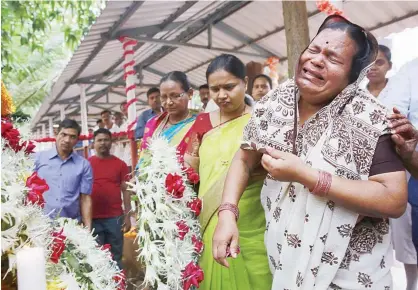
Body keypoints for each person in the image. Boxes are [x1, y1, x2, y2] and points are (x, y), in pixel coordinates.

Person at [213, 15, 408, 289]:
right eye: (314, 49)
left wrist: (308, 176)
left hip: (348, 273)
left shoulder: (369, 118)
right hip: (283, 258)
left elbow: (394, 199)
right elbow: (245, 158)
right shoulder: (275, 101)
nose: (316, 60)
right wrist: (227, 213)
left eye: (333, 58)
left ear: (353, 76)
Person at [184, 54, 272, 290]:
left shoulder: (261, 121)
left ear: (244, 82)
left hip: (253, 216)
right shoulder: (202, 123)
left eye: (229, 87)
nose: (222, 95)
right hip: (210, 216)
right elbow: (190, 172)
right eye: (215, 89)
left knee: (258, 275)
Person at [366, 46, 418, 289]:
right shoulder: (410, 72)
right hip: (382, 168)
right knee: (391, 228)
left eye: (380, 62)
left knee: (405, 229)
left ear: (389, 65)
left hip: (404, 163)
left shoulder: (397, 84)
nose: (374, 67)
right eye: (371, 62)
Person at [35, 119, 93, 230]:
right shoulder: (38, 159)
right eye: (64, 134)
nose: (67, 140)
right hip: (40, 225)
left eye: (72, 137)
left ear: (77, 140)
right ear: (56, 134)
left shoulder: (83, 165)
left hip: (70, 227)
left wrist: (88, 230)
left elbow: (85, 198)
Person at [89, 128, 131, 269]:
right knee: (96, 257)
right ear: (93, 143)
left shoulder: (120, 164)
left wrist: (127, 216)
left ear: (111, 142)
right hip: (92, 218)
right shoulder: (86, 164)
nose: (103, 143)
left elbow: (126, 190)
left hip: (114, 218)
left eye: (106, 140)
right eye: (99, 140)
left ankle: (118, 284)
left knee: (116, 256)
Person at [139, 71, 196, 157]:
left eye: (175, 96)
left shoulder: (199, 124)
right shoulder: (153, 124)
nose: (168, 102)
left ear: (190, 94)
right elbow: (143, 159)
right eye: (164, 97)